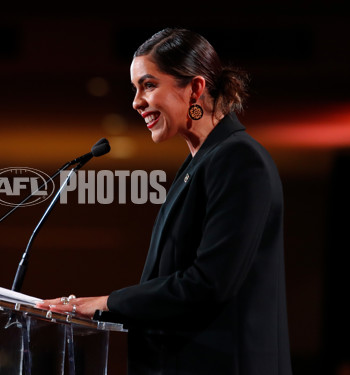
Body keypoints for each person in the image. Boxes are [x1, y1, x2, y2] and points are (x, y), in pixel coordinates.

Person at [37, 27, 293, 375]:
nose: (136, 101)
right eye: (135, 88)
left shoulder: (238, 160)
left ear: (195, 88)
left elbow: (209, 284)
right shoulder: (199, 163)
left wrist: (106, 303)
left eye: (149, 84)